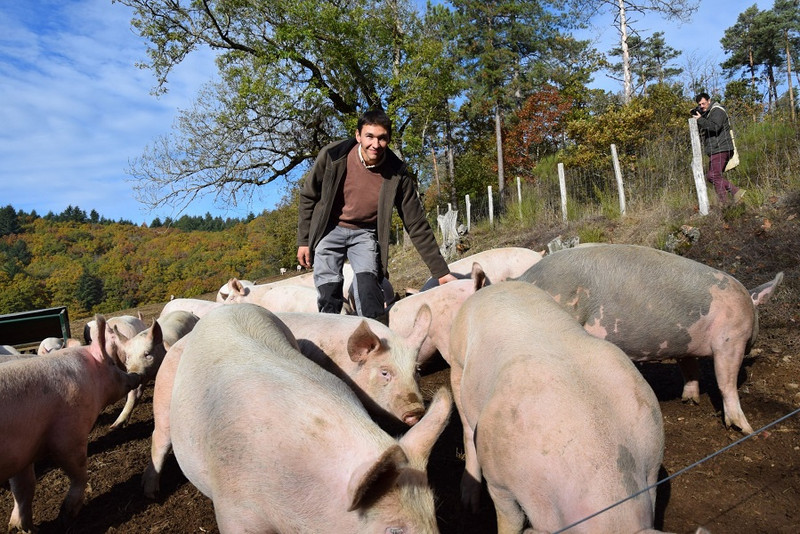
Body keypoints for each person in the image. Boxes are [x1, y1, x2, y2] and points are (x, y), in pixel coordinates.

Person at [296, 109, 456, 319]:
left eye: (382, 138)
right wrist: (304, 240)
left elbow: (416, 223)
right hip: (330, 228)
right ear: (358, 136)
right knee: (329, 292)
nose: (375, 144)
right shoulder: (333, 156)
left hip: (364, 233)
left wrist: (441, 273)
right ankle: (331, 337)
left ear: (388, 139)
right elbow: (309, 196)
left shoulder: (397, 173)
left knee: (368, 288)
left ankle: (374, 339)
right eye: (369, 136)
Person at [692, 92, 745, 205]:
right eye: (699, 105)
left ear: (709, 100)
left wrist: (700, 120)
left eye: (703, 103)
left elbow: (715, 127)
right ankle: (732, 196)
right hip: (716, 148)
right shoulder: (710, 113)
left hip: (721, 147)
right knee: (712, 176)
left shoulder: (717, 110)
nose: (702, 106)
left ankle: (727, 200)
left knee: (713, 176)